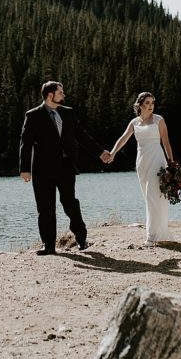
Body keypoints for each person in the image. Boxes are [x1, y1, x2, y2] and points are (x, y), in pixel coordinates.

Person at [19, 81, 112, 256]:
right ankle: (48, 246)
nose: (64, 95)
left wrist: (100, 152)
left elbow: (82, 136)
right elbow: (26, 143)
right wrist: (25, 169)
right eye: (60, 92)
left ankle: (81, 239)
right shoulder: (33, 115)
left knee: (69, 203)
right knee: (45, 207)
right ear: (50, 95)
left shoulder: (68, 113)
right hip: (42, 169)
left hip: (66, 167)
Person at [109, 92, 175, 245]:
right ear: (140, 105)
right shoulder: (134, 122)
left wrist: (171, 163)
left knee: (153, 194)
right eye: (147, 103)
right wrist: (112, 153)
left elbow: (166, 143)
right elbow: (124, 138)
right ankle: (159, 231)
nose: (151, 106)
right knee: (148, 196)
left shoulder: (159, 120)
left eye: (152, 103)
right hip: (142, 162)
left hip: (157, 160)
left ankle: (151, 237)